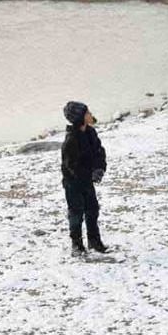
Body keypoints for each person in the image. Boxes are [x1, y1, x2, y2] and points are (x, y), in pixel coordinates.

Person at [61, 100, 108, 256]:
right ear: (80, 117)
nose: (90, 114)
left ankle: (94, 242)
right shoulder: (71, 139)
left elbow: (99, 152)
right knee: (76, 213)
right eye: (87, 113)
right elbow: (71, 166)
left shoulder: (90, 132)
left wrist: (99, 169)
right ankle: (77, 244)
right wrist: (89, 175)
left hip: (87, 180)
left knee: (93, 210)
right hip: (73, 183)